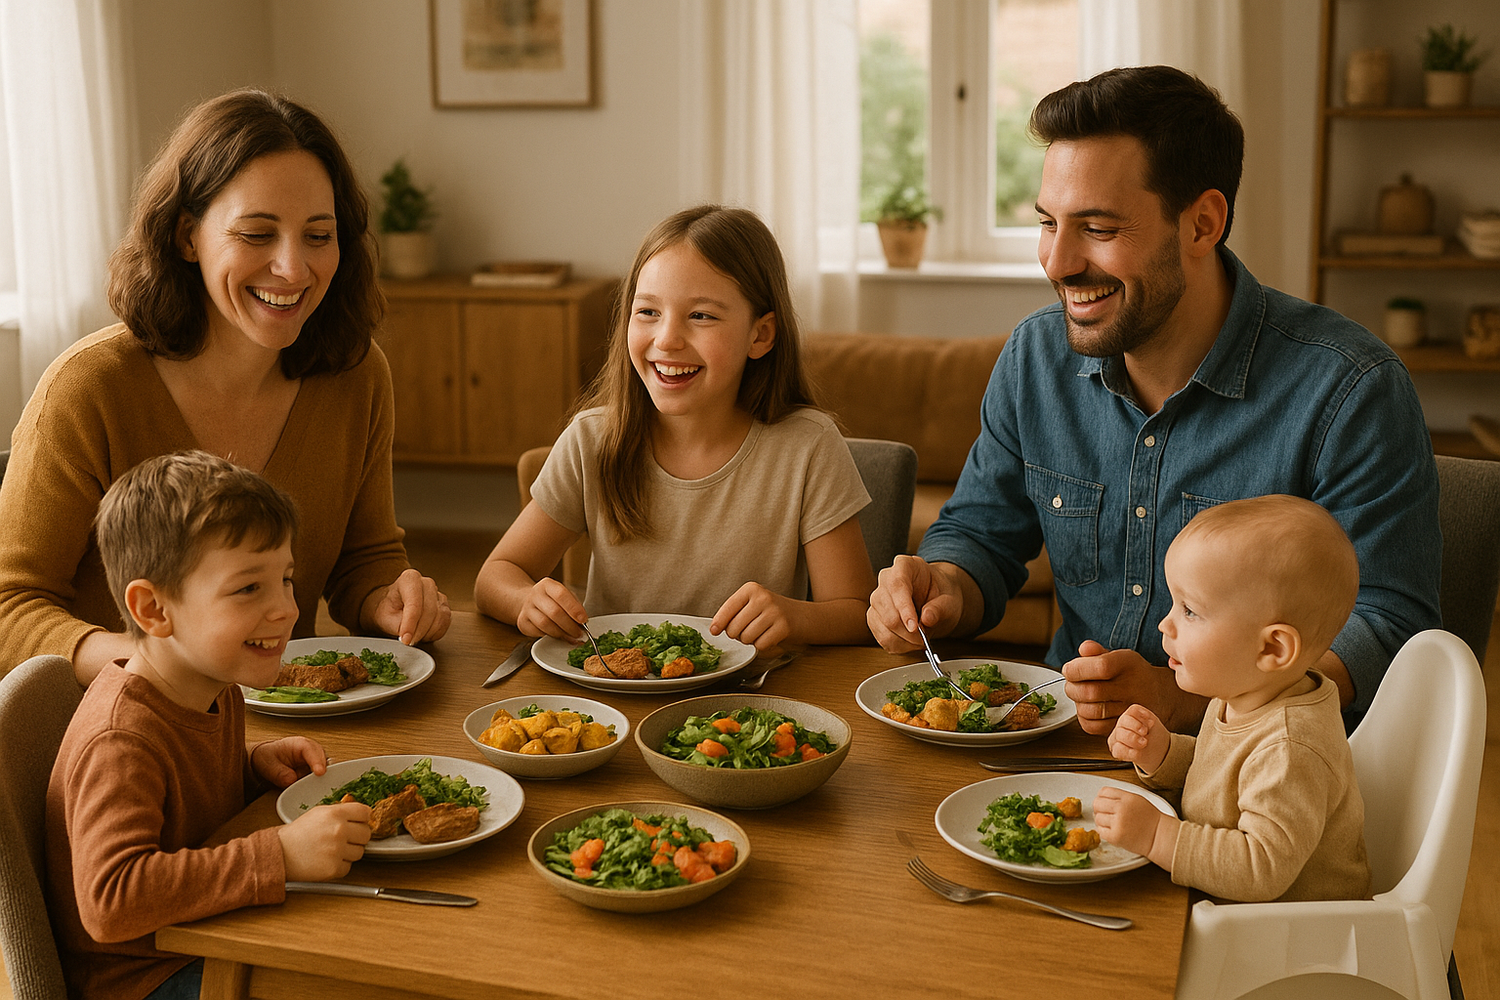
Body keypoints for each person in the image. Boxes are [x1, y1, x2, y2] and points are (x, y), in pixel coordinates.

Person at [868, 65, 1440, 734]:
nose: (1056, 262)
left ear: (1202, 224)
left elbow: (1388, 628)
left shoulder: (1350, 389)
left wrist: (1184, 702)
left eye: (1099, 229)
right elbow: (978, 536)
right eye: (1049, 223)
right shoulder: (1034, 360)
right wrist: (939, 591)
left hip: (1257, 779)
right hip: (1061, 747)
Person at [0, 89, 450, 685]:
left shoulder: (356, 375)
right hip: (112, 739)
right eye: (257, 234)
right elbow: (9, 609)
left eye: (319, 235)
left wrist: (385, 600)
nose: (294, 268)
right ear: (188, 236)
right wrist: (155, 666)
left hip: (282, 730)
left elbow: (363, 560)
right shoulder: (89, 389)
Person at [45, 451, 372, 1000]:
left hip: (205, 938)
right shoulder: (120, 741)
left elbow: (177, 807)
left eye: (286, 579)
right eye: (249, 588)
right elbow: (112, 902)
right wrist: (281, 855)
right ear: (153, 610)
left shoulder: (212, 688)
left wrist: (247, 767)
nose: (287, 609)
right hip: (149, 978)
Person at [474, 205, 875, 652]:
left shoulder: (810, 447)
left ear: (760, 335)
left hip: (749, 707)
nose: (666, 339)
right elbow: (495, 577)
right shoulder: (592, 440)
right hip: (613, 700)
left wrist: (796, 615)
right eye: (647, 311)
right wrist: (526, 599)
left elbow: (857, 612)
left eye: (701, 316)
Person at [1092, 495, 1370, 902]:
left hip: (1291, 943)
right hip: (1232, 916)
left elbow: (1261, 868)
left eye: (1190, 611)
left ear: (1272, 649)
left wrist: (1156, 835)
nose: (1164, 623)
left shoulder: (1290, 748)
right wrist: (1163, 753)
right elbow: (1222, 780)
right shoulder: (1243, 695)